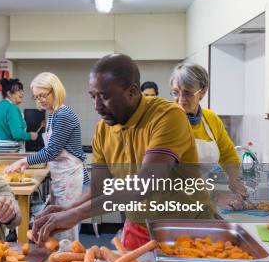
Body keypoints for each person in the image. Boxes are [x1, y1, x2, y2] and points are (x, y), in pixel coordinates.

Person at [31, 54, 213, 249]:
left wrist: (75, 214)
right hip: (139, 226)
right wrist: (67, 209)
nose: (97, 107)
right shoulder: (103, 129)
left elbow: (146, 183)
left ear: (132, 92)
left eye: (105, 97)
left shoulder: (168, 116)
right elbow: (99, 187)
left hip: (185, 229)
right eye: (93, 97)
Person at [5, 73, 89, 241]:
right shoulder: (52, 115)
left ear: (55, 91)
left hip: (70, 178)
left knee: (66, 228)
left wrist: (24, 161)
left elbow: (52, 152)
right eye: (36, 96)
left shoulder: (63, 115)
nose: (40, 100)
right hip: (63, 177)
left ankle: (70, 260)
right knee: (60, 223)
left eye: (43, 95)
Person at [169, 63, 249, 209]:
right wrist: (213, 197)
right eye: (175, 92)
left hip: (202, 203)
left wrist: (234, 179)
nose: (180, 99)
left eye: (187, 93)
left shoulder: (210, 118)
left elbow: (228, 155)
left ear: (203, 92)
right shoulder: (165, 121)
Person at [0, 78, 38, 143]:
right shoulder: (12, 108)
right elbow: (18, 135)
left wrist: (3, 128)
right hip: (10, 149)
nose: (22, 93)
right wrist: (30, 135)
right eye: (18, 90)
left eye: (22, 90)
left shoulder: (0, 105)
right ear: (9, 93)